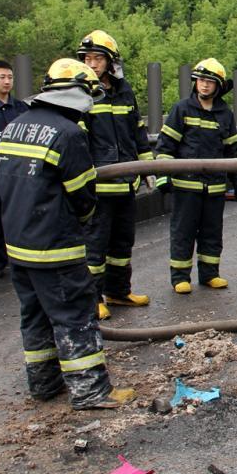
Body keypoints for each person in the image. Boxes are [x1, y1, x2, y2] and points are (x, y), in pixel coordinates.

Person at [0, 58, 135, 409]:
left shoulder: (15, 125)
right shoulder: (69, 134)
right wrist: (83, 221)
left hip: (18, 245)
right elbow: (84, 197)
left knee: (35, 316)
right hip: (55, 246)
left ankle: (43, 384)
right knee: (75, 316)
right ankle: (91, 391)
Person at [76, 30, 153, 320]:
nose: (92, 64)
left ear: (111, 62)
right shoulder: (81, 92)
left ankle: (118, 292)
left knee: (122, 243)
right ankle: (92, 297)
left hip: (126, 180)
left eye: (98, 58)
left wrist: (146, 166)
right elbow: (78, 140)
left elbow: (137, 130)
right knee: (95, 245)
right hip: (98, 183)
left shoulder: (124, 90)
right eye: (88, 58)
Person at [155, 58, 237, 294]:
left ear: (219, 86)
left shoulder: (225, 114)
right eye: (201, 80)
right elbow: (165, 146)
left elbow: (232, 150)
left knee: (212, 233)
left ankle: (210, 274)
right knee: (183, 232)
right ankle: (180, 278)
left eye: (210, 82)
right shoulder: (181, 109)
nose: (204, 85)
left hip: (214, 187)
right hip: (186, 186)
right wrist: (163, 178)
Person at [0, 60, 28, 278]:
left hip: (17, 170)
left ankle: (17, 257)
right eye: (2, 77)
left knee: (17, 214)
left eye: (10, 77)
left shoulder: (21, 108)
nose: (6, 81)